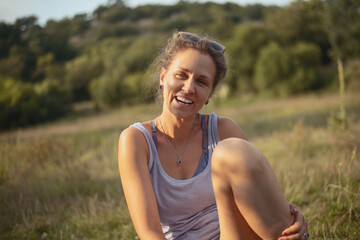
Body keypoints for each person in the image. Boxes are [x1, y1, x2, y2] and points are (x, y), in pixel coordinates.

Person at [118, 31, 309, 240]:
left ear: (210, 93)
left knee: (232, 150)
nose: (189, 88)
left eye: (201, 82)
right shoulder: (136, 140)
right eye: (181, 75)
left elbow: (259, 194)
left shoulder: (223, 130)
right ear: (163, 77)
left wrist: (292, 216)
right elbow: (149, 232)